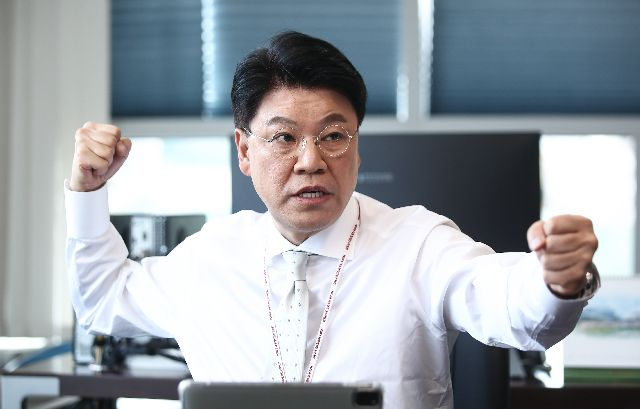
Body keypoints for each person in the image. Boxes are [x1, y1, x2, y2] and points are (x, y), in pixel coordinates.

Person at [66, 31, 599, 409]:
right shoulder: (208, 259)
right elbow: (102, 298)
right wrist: (88, 192)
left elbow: (513, 305)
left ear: (357, 147)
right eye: (284, 137)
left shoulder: (419, 244)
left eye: (333, 135)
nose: (310, 160)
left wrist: (555, 280)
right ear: (244, 151)